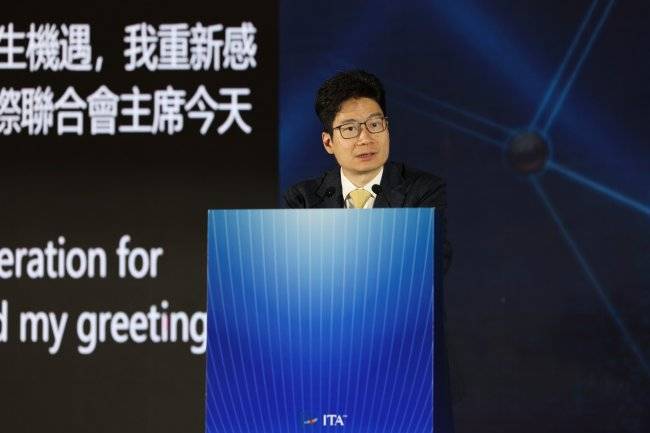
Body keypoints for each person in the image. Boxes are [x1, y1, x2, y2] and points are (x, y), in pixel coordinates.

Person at [284, 69, 452, 272]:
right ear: (328, 142)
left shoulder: (422, 191)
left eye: (374, 124)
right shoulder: (303, 199)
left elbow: (432, 264)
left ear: (387, 128)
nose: (365, 138)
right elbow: (294, 270)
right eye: (350, 129)